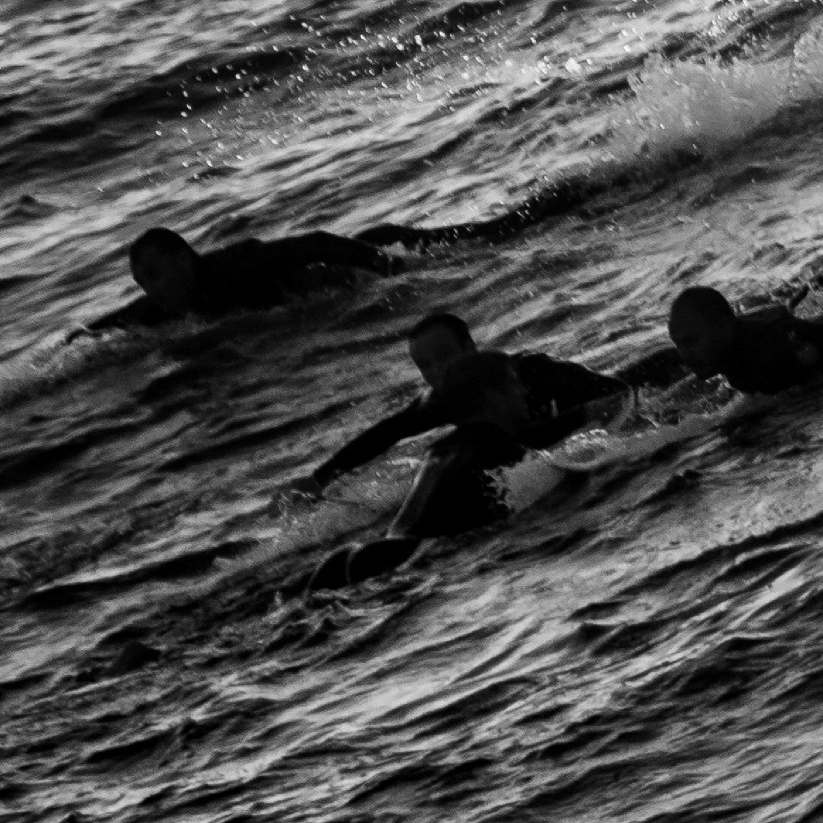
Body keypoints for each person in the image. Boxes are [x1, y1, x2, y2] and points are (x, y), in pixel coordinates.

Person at [304, 312, 625, 494]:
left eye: (444, 356)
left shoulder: (532, 371)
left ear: (471, 347)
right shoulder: (443, 400)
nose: (437, 372)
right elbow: (388, 431)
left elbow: (615, 394)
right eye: (425, 366)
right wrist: (319, 479)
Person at [307, 349, 545, 589]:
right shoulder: (494, 446)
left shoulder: (439, 451)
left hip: (362, 557)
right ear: (493, 396)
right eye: (515, 384)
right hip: (403, 566)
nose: (524, 392)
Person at [96, 223, 407, 329]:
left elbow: (316, 244)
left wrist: (384, 265)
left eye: (154, 275)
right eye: (142, 283)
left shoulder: (237, 265)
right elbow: (117, 323)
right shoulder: (161, 308)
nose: (151, 290)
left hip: (347, 269)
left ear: (182, 259)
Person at [629, 286, 823, 396]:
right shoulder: (731, 356)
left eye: (691, 342)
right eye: (678, 344)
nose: (685, 355)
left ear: (724, 326)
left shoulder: (774, 347)